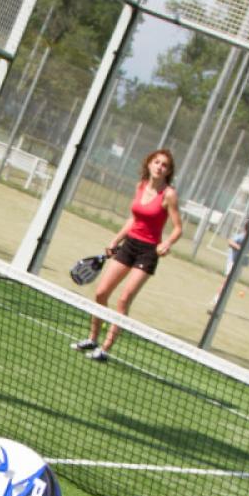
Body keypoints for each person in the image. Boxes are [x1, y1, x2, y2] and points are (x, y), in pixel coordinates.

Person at [72, 148, 184, 361]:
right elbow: (134, 219)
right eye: (157, 162)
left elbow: (178, 228)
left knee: (123, 300)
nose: (160, 167)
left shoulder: (168, 194)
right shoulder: (140, 186)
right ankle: (93, 338)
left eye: (165, 165)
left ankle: (105, 349)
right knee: (101, 293)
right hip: (129, 245)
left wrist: (167, 243)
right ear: (149, 164)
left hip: (148, 252)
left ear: (168, 171)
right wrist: (116, 240)